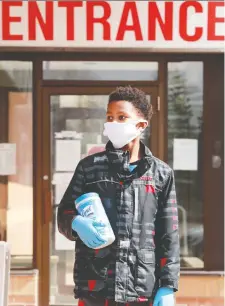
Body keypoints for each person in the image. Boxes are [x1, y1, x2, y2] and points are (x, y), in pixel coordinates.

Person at [57, 86, 180, 306]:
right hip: (96, 286)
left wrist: (168, 285)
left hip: (140, 289)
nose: (113, 123)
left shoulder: (161, 174)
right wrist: (75, 222)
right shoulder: (90, 168)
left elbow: (168, 235)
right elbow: (64, 212)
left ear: (141, 125)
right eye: (109, 117)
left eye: (121, 117)